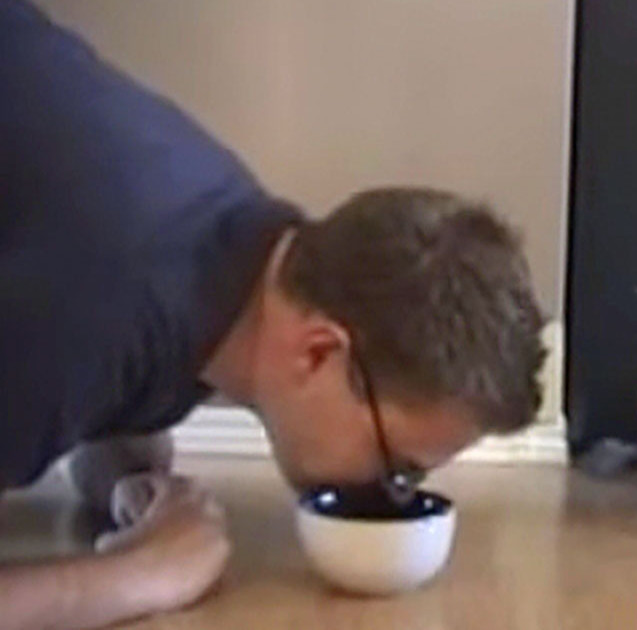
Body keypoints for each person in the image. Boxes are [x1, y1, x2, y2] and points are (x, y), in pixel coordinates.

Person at [0, 2, 546, 628]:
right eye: (398, 471)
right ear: (319, 352)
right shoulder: (101, 311)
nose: (386, 495)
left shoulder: (222, 237)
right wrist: (138, 575)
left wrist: (124, 462)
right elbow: (88, 317)